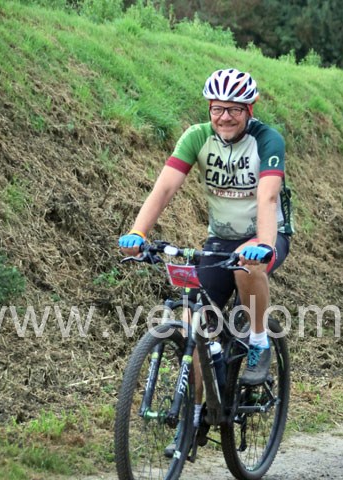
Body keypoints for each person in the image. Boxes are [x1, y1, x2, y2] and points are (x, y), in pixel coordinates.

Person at [118, 68, 292, 430]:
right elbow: (164, 188)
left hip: (267, 234)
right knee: (192, 324)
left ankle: (259, 342)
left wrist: (263, 244)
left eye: (234, 109)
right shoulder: (197, 137)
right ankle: (195, 417)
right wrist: (138, 232)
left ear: (250, 109)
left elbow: (267, 197)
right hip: (220, 239)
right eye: (217, 108)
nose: (225, 116)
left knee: (247, 264)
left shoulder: (267, 140)